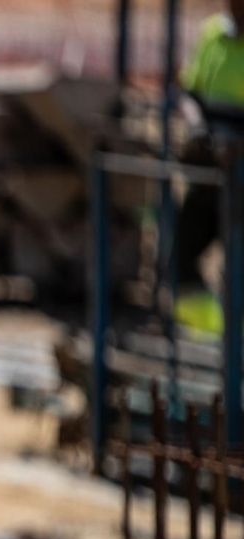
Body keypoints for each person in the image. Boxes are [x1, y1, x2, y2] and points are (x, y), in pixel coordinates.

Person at [175, 0, 244, 334]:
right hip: (210, 175)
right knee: (179, 258)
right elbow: (190, 93)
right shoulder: (214, 34)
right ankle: (211, 339)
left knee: (237, 269)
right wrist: (199, 129)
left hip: (239, 177)